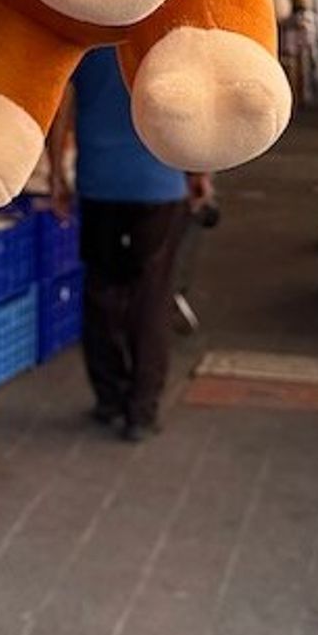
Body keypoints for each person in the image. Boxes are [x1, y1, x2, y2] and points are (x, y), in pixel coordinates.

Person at [68, 48, 200, 441]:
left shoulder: (87, 38)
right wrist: (200, 171)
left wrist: (59, 173)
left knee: (102, 290)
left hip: (98, 179)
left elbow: (62, 106)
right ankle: (141, 411)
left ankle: (109, 397)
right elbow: (194, 116)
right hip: (159, 184)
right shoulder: (168, 41)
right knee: (151, 297)